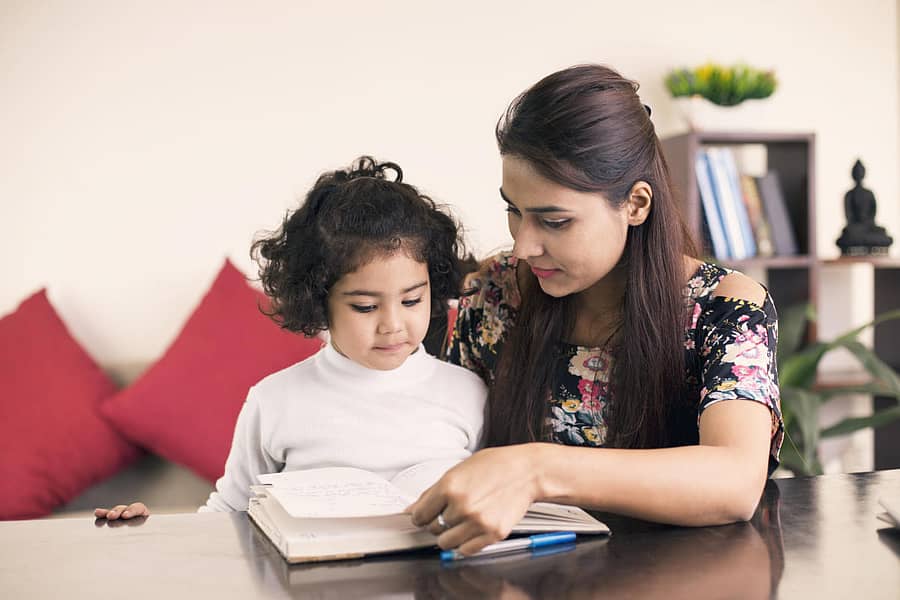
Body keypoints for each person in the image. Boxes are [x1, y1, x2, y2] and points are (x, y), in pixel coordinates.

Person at [407, 64, 784, 556]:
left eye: (555, 221)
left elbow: (734, 480)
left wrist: (536, 469)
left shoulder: (727, 308)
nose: (523, 246)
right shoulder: (497, 295)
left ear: (636, 204)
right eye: (513, 210)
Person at [95, 157, 487, 520]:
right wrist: (149, 536)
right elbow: (229, 514)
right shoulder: (274, 400)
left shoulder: (467, 392)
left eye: (412, 300)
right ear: (319, 301)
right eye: (365, 307)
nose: (393, 324)